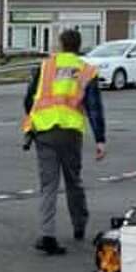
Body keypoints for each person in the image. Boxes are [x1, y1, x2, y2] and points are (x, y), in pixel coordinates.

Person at [21, 28, 106, 255]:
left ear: (60, 44)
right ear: (79, 46)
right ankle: (79, 226)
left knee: (48, 185)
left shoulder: (46, 66)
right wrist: (100, 140)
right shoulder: (86, 70)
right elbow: (94, 108)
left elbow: (29, 98)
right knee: (73, 181)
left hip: (44, 131)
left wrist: (34, 121)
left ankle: (47, 233)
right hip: (70, 133)